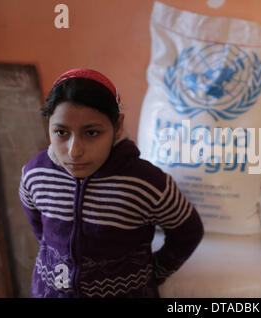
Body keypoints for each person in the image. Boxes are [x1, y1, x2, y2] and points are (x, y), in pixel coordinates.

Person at [18, 68, 204, 298]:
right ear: (49, 125)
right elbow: (40, 227)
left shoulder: (148, 183)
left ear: (117, 127)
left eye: (92, 133)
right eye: (62, 132)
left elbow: (189, 231)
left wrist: (153, 273)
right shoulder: (35, 174)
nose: (74, 152)